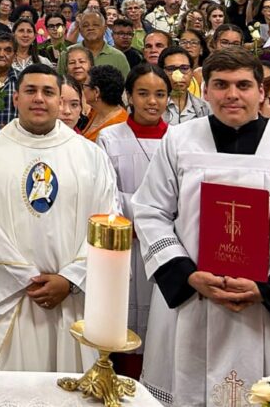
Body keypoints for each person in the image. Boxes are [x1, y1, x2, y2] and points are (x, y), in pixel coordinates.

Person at [131, 47, 270, 407]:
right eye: (221, 84)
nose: (232, 94)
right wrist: (186, 274)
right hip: (194, 301)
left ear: (261, 93)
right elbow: (151, 211)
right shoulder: (179, 141)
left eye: (244, 85)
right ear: (206, 90)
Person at [0, 64, 116, 372]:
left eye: (48, 92)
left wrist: (70, 279)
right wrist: (24, 277)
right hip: (11, 298)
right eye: (30, 91)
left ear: (63, 101)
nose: (39, 99)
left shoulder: (90, 156)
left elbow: (107, 221)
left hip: (72, 300)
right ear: (16, 98)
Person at [95, 64, 171, 372]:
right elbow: (107, 192)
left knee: (162, 322)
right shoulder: (110, 138)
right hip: (127, 247)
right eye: (143, 93)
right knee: (124, 319)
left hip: (167, 248)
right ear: (129, 96)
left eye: (160, 94)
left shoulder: (179, 139)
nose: (152, 102)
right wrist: (148, 217)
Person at [59, 11, 130, 78]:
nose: (90, 28)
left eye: (95, 25)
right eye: (85, 25)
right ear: (80, 30)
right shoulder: (67, 53)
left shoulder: (118, 57)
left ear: (105, 28)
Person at [159, 46, 210, 125]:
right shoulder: (154, 105)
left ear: (192, 72)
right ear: (162, 72)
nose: (178, 74)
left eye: (184, 68)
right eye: (171, 69)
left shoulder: (205, 108)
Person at [80, 65, 128, 143]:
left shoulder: (119, 125)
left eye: (85, 86)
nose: (83, 89)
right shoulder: (96, 111)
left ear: (96, 92)